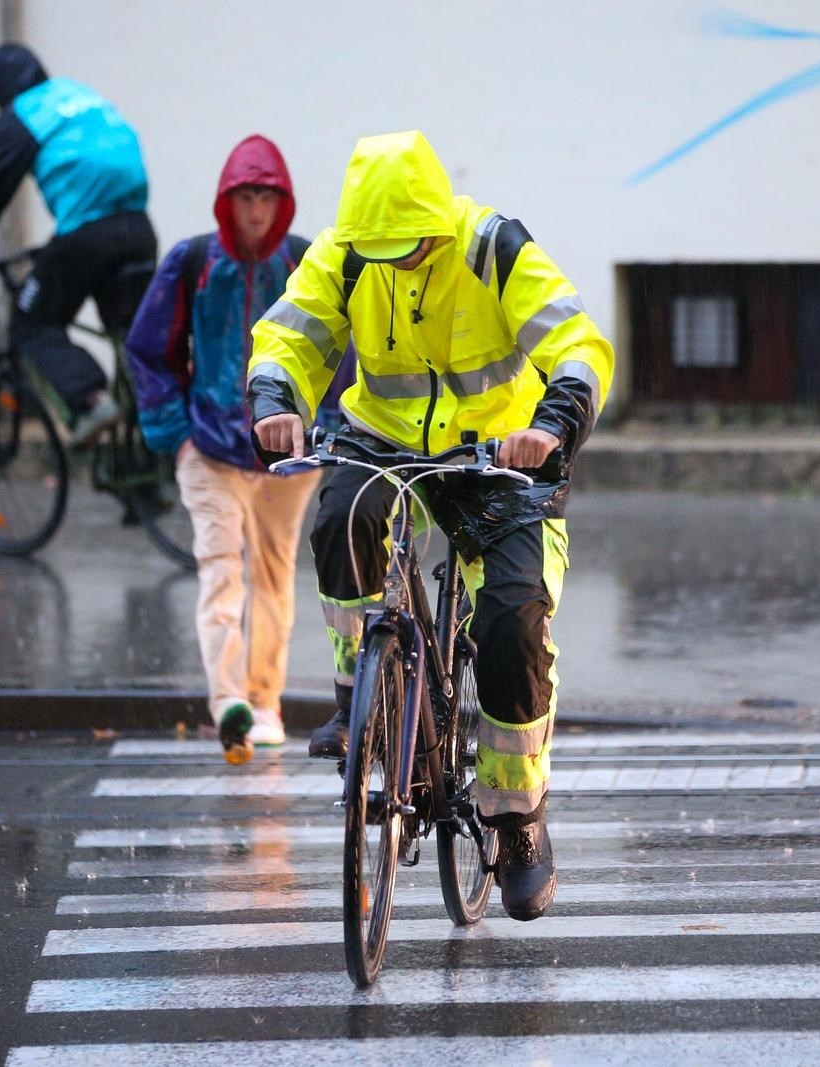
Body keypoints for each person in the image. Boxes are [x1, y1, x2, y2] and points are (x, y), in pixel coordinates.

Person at [247, 130, 613, 921]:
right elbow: (290, 332)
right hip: (381, 437)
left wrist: (551, 426)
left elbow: (577, 341)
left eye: (409, 248)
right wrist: (276, 400)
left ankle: (516, 820)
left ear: (438, 229)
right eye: (381, 251)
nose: (395, 261)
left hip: (501, 453)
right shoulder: (348, 254)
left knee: (514, 621)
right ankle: (360, 695)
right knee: (342, 518)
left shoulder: (493, 248)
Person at [123, 135, 320, 766]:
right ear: (227, 201)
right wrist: (176, 437)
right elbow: (148, 349)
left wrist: (328, 430)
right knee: (221, 574)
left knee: (271, 579)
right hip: (209, 448)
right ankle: (229, 701)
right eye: (246, 196)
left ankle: (265, 704)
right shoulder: (193, 262)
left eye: (266, 196)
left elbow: (340, 354)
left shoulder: (304, 264)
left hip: (288, 455)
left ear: (281, 200)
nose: (256, 209)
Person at [0, 44, 155, 443]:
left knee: (31, 323)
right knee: (132, 339)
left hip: (87, 234)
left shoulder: (24, 114)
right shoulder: (80, 95)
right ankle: (150, 460)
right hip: (138, 229)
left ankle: (90, 400)